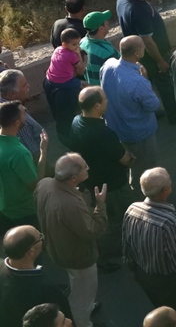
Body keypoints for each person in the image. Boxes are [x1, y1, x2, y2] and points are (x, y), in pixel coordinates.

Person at [122, 168, 176, 327]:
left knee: (160, 314)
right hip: (168, 284)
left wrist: (134, 271)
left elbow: (126, 245)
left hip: (144, 275)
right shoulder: (170, 223)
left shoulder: (132, 209)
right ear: (165, 190)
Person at [34, 153, 106, 327]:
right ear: (74, 178)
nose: (88, 167)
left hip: (58, 249)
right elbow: (92, 230)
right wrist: (100, 204)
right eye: (84, 167)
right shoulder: (70, 204)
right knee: (83, 294)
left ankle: (83, 308)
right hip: (79, 257)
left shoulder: (44, 184)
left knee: (77, 284)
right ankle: (83, 321)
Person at [67, 87, 131, 268]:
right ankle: (103, 255)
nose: (107, 101)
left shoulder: (77, 121)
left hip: (92, 181)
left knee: (104, 217)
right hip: (112, 186)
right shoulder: (104, 134)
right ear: (96, 106)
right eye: (104, 99)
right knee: (117, 221)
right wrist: (132, 158)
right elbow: (125, 159)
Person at [100, 35, 160, 188]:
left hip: (116, 128)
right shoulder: (138, 81)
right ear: (137, 54)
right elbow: (153, 105)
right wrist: (146, 80)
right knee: (145, 169)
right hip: (139, 134)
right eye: (142, 47)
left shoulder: (107, 66)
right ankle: (145, 198)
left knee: (130, 162)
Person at [116, 0, 176, 123]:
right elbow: (148, 42)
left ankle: (152, 111)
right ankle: (174, 116)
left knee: (147, 84)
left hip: (138, 54)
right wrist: (161, 60)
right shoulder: (139, 10)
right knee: (165, 85)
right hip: (151, 55)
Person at [0, 225, 72, 327]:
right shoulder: (47, 289)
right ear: (31, 252)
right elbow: (64, 321)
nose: (42, 239)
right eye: (40, 238)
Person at [0, 101, 47, 232]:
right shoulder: (19, 153)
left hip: (5, 208)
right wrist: (43, 151)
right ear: (16, 123)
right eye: (23, 113)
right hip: (25, 212)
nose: (26, 114)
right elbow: (36, 184)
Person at [0, 71, 43, 158]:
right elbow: (32, 151)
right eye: (24, 85)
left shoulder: (5, 104)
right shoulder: (16, 117)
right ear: (12, 94)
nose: (29, 86)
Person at [79, 11, 118, 86]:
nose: (108, 22)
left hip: (93, 88)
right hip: (107, 92)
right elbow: (118, 73)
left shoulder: (83, 42)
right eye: (105, 22)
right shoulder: (106, 52)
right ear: (101, 28)